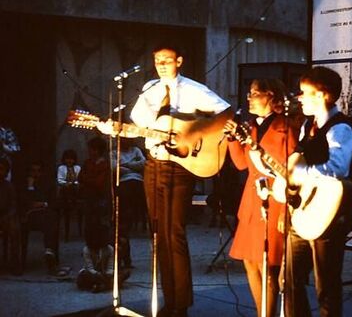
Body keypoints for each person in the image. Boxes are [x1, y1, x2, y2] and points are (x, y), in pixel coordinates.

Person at [98, 44, 232, 317]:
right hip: (153, 164)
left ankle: (180, 305)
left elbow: (227, 114)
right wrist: (114, 128)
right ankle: (168, 301)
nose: (161, 64)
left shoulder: (194, 89)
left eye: (167, 60)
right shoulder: (149, 89)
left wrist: (192, 132)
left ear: (179, 61)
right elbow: (143, 126)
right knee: (158, 233)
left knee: (175, 233)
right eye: (157, 60)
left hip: (180, 167)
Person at [285, 66, 352, 317]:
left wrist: (301, 174)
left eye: (306, 92)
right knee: (290, 279)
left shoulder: (341, 128)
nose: (300, 97)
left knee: (325, 285)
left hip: (330, 214)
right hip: (305, 209)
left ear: (324, 95)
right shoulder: (308, 126)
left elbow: (338, 167)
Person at [223, 78, 298, 317]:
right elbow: (241, 164)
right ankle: (261, 313)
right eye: (249, 93)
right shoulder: (250, 128)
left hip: (276, 201)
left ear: (271, 96)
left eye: (255, 93)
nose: (249, 98)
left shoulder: (287, 127)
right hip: (252, 201)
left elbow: (292, 170)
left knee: (269, 268)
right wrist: (233, 140)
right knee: (250, 263)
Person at [111, 137, 146, 268]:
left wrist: (126, 165)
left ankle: (137, 214)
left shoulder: (136, 150)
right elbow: (115, 168)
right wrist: (133, 166)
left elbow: (143, 163)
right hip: (123, 181)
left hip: (137, 180)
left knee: (138, 190)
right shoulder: (114, 153)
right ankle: (128, 216)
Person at [19, 161, 60, 274]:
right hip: (30, 217)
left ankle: (49, 250)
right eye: (33, 171)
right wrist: (30, 187)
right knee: (48, 219)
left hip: (45, 214)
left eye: (38, 171)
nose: (35, 174)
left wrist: (43, 204)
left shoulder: (47, 185)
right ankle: (49, 250)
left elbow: (52, 202)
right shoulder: (25, 185)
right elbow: (25, 202)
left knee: (51, 218)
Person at [0, 157, 22, 274]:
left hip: (5, 217)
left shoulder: (9, 187)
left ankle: (15, 263)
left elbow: (13, 205)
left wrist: (7, 216)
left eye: (1, 169)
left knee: (14, 228)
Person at [56, 149, 82, 241]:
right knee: (66, 190)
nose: (69, 161)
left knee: (75, 188)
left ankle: (73, 201)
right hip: (65, 189)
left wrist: (73, 183)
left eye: (71, 159)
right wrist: (67, 183)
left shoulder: (78, 168)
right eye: (67, 159)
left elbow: (80, 179)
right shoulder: (61, 168)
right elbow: (59, 180)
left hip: (75, 190)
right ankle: (68, 202)